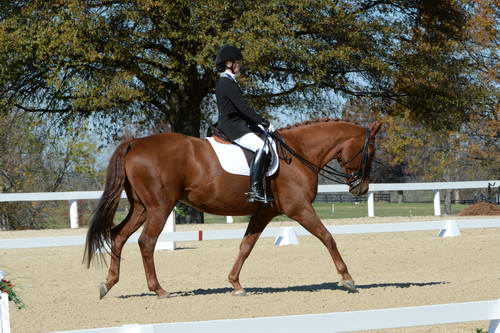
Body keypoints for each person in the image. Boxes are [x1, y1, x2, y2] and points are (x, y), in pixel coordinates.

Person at [214, 45, 273, 203]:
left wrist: (257, 124)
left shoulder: (226, 81)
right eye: (237, 63)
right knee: (262, 147)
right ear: (229, 64)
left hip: (235, 124)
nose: (239, 66)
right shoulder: (226, 82)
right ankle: (255, 190)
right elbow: (243, 107)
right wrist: (262, 121)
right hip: (233, 126)